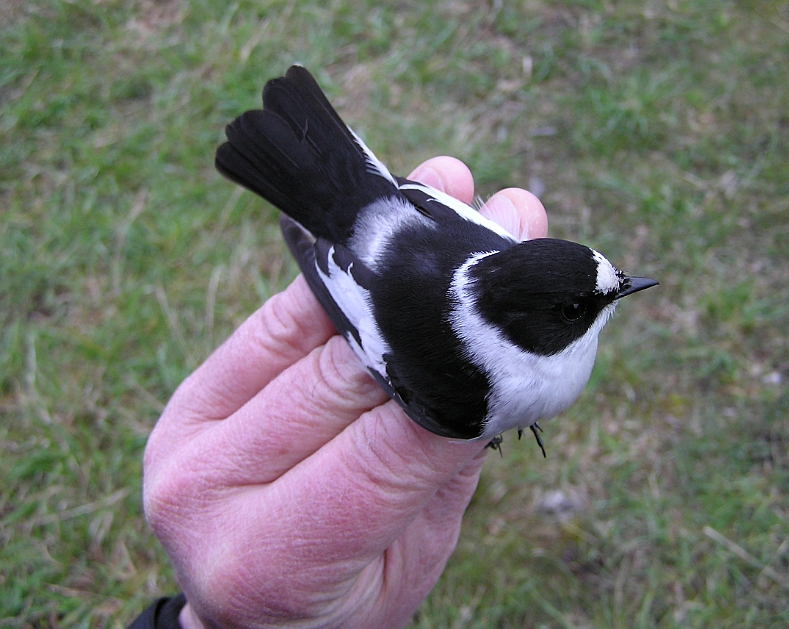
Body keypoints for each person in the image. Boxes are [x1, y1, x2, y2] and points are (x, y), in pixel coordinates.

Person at [133, 157, 548, 629]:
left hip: (396, 239)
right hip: (384, 273)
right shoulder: (485, 379)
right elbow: (376, 333)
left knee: (447, 186)